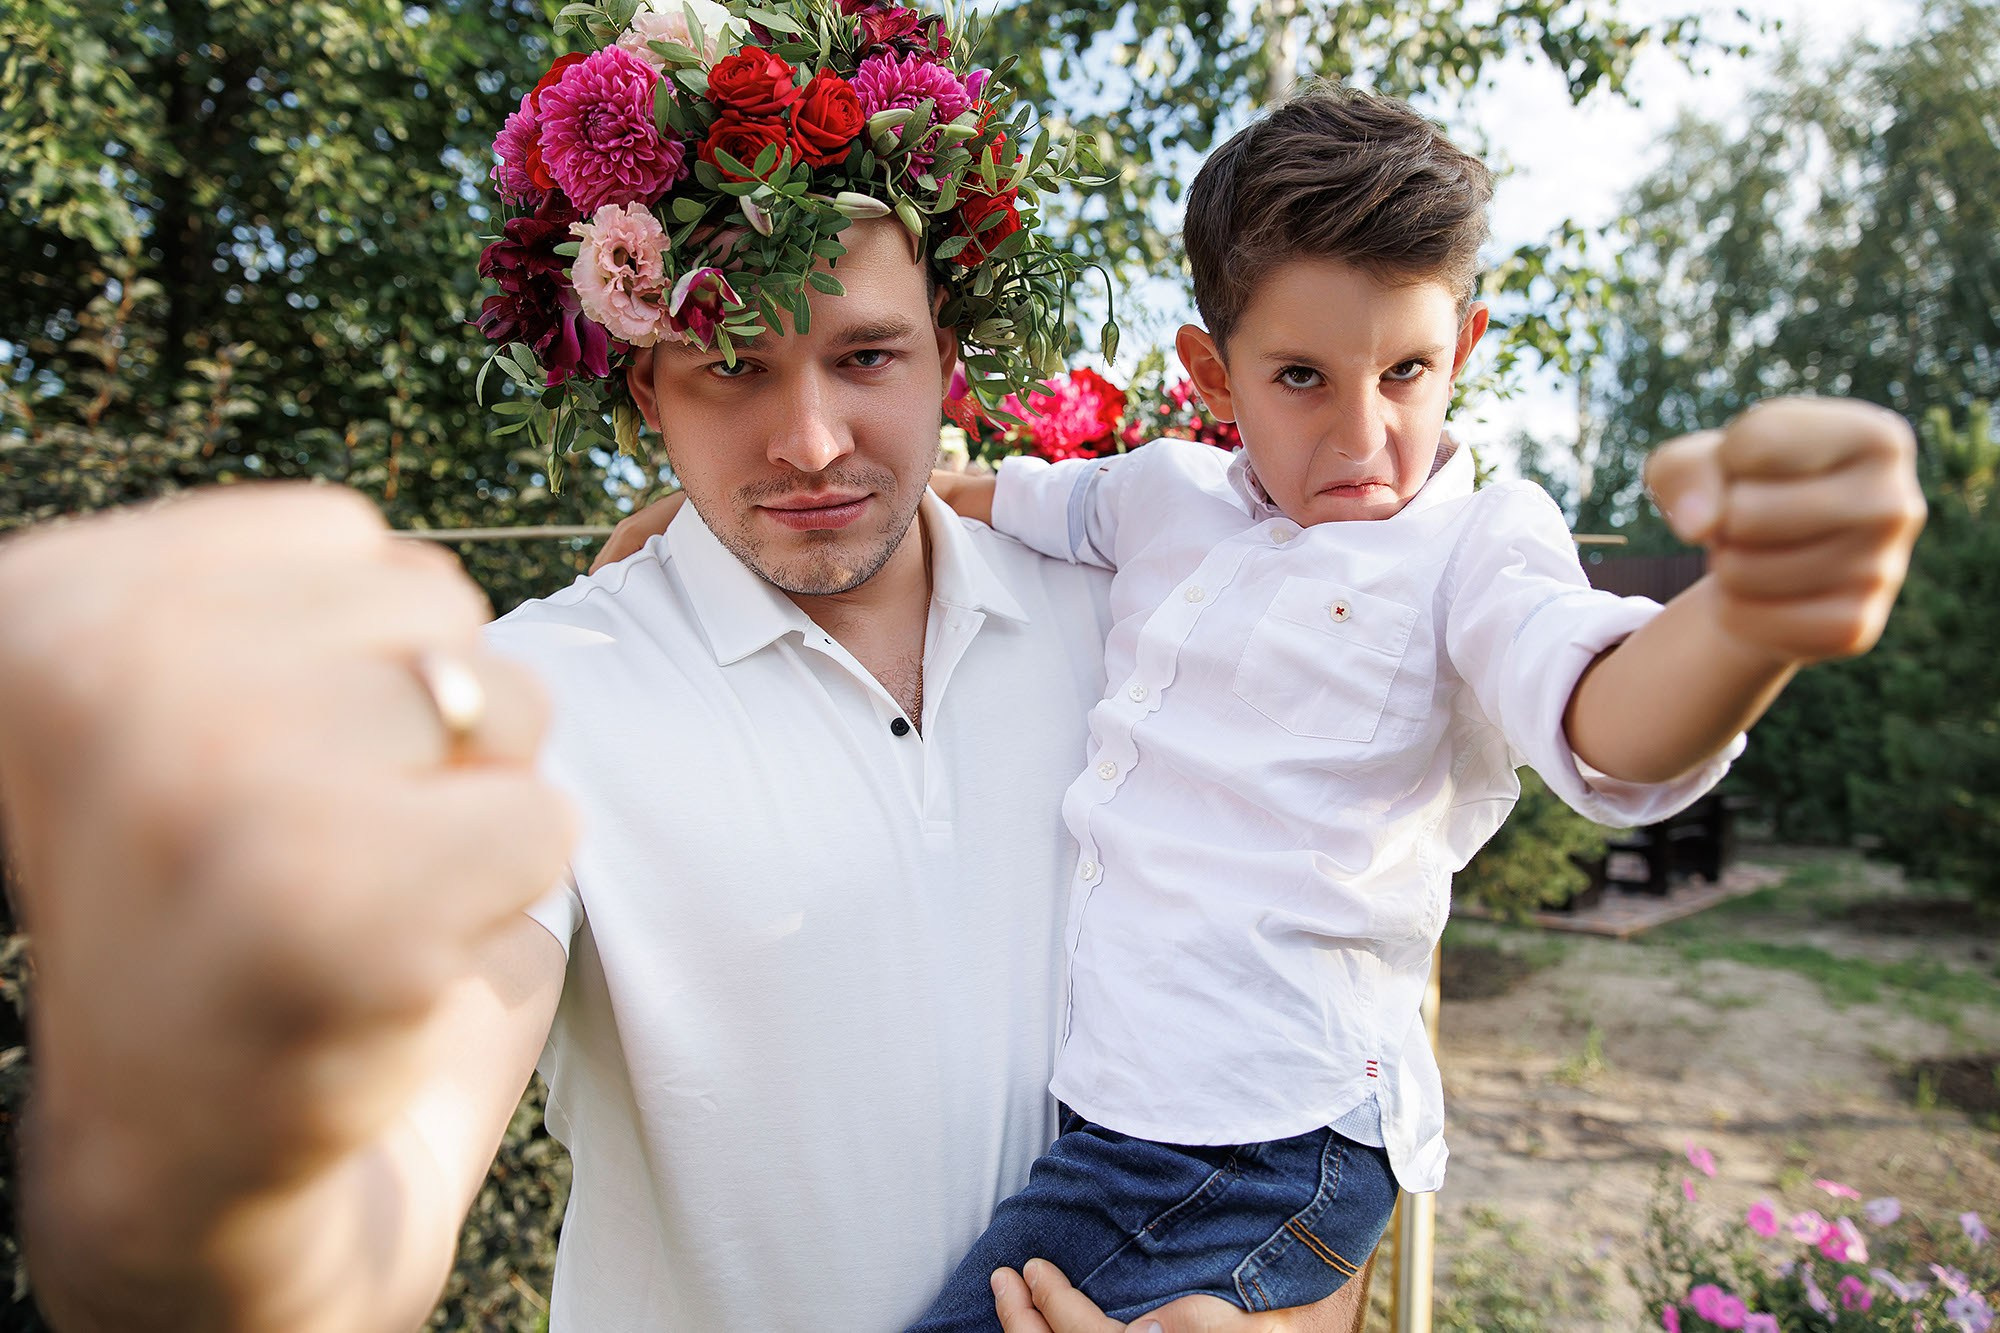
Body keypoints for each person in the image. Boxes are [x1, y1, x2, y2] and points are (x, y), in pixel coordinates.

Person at [0, 6, 1387, 1330]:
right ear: (640, 386)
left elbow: (1340, 1002)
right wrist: (162, 1160)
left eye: (867, 356)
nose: (813, 440)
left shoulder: (1132, 637)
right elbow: (370, 1225)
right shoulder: (538, 698)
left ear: (949, 359)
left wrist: (1314, 1307)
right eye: (728, 364)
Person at [592, 83, 1929, 1329]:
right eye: (1302, 378)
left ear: (1464, 342)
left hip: (1257, 1138)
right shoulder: (1159, 494)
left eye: (1406, 372)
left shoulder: (1478, 546)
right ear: (1213, 371)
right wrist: (698, 524)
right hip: (1128, 1115)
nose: (1362, 440)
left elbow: (1598, 712)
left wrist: (1747, 621)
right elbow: (955, 494)